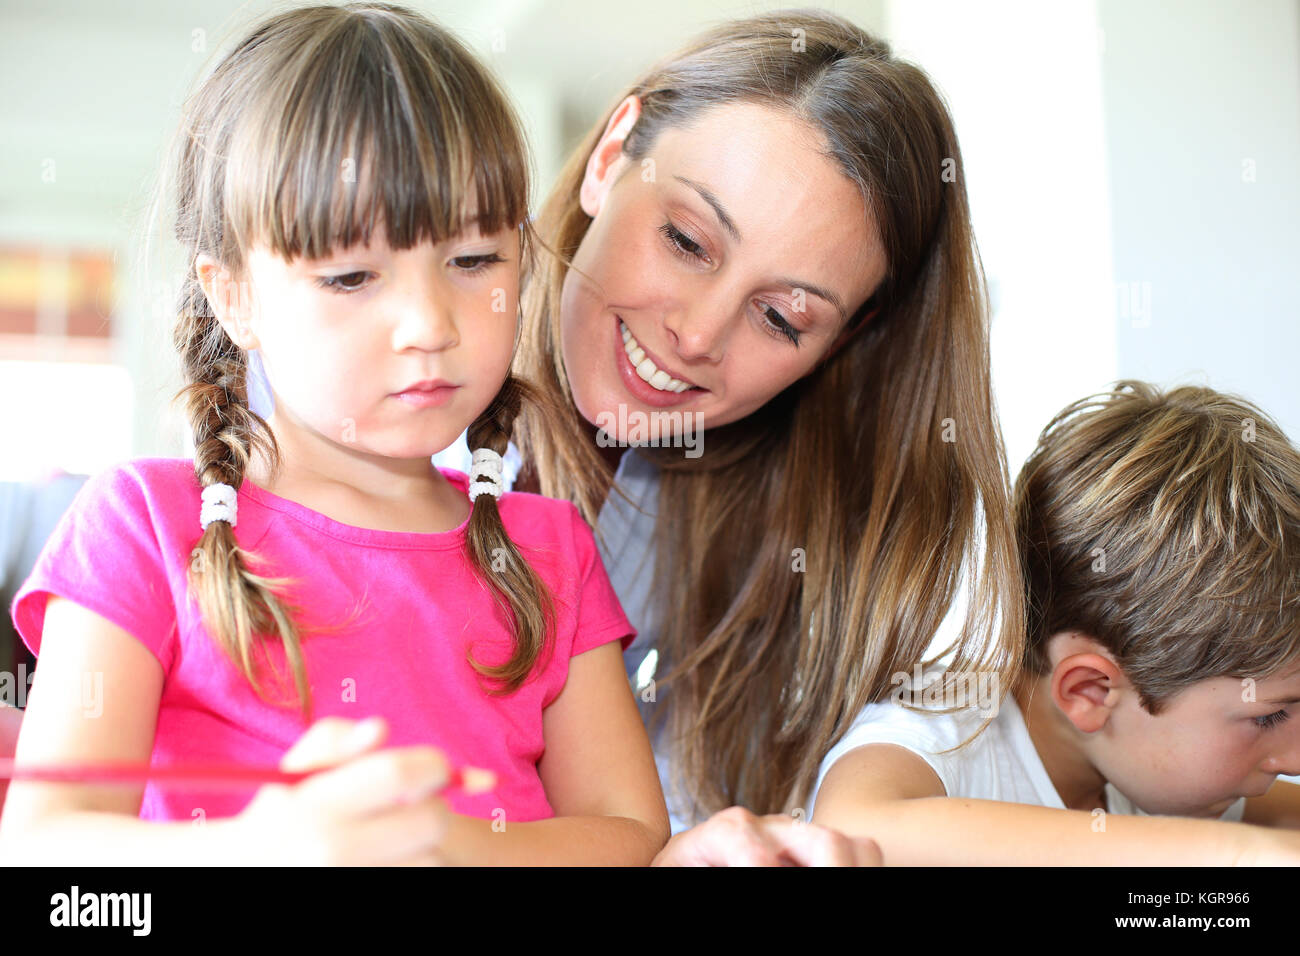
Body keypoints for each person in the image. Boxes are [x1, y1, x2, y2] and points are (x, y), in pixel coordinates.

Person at [0, 2, 669, 865]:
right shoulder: (141, 526)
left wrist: (448, 846)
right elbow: (47, 847)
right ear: (234, 296)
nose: (429, 323)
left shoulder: (552, 549)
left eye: (473, 262)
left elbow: (628, 831)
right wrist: (267, 848)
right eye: (352, 275)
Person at [500, 8, 1027, 864]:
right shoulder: (372, 404)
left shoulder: (781, 549)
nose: (699, 335)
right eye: (686, 240)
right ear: (610, 156)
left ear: (843, 342)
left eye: (782, 318)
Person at [807, 382, 1300, 864]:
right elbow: (853, 832)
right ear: (1090, 691)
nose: (1294, 761)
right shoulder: (940, 735)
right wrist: (1241, 857)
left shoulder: (1146, 762)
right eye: (1270, 717)